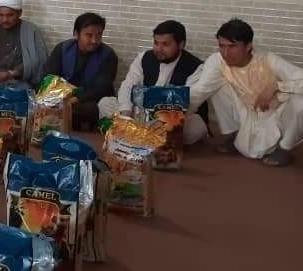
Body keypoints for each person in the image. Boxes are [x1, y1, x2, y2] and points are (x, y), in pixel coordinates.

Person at [189, 19, 303, 167]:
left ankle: (284, 148)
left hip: (275, 114)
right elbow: (200, 91)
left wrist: (276, 86)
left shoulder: (268, 60)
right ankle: (234, 135)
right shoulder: (217, 61)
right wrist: (172, 111)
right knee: (216, 85)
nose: (226, 53)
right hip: (245, 114)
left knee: (300, 102)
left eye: (232, 46)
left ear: (248, 46)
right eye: (222, 46)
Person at [97, 20, 209, 145]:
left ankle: (135, 136)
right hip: (141, 113)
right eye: (156, 43)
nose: (159, 49)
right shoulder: (144, 57)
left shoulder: (195, 67)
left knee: (196, 127)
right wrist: (126, 113)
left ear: (181, 44)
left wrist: (160, 119)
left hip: (171, 118)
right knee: (105, 103)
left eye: (165, 44)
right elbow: (128, 85)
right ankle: (143, 137)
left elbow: (190, 101)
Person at [43, 12, 119, 131]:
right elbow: (50, 76)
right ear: (76, 34)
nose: (94, 40)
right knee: (41, 103)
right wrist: (59, 99)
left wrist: (75, 100)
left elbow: (102, 88)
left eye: (99, 35)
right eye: (89, 35)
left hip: (90, 100)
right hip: (62, 97)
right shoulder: (62, 48)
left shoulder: (108, 55)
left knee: (92, 109)